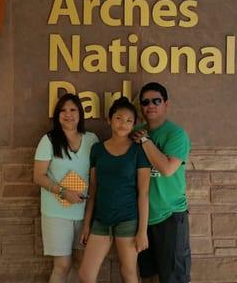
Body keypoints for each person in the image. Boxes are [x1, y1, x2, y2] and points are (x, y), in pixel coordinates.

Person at [79, 97, 151, 283]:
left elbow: (143, 193)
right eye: (119, 118)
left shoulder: (138, 150)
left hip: (128, 220)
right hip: (101, 221)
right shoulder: (97, 150)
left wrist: (142, 231)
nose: (123, 124)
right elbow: (93, 190)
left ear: (134, 124)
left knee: (128, 273)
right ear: (109, 119)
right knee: (85, 275)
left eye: (129, 121)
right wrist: (87, 225)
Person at [33, 93, 99, 283]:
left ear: (80, 113)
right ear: (57, 114)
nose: (68, 114)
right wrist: (63, 192)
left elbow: (94, 182)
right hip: (56, 213)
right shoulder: (49, 140)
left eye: (72, 109)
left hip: (83, 213)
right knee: (62, 266)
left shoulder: (92, 139)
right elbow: (38, 176)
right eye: (63, 110)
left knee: (84, 265)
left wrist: (88, 221)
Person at [131, 82, 192, 283]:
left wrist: (146, 142)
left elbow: (167, 169)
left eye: (156, 100)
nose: (151, 105)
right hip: (143, 217)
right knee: (148, 276)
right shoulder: (135, 132)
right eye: (145, 102)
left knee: (174, 278)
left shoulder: (176, 134)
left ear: (166, 103)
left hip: (170, 216)